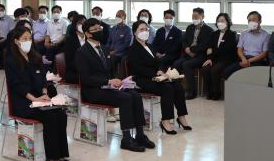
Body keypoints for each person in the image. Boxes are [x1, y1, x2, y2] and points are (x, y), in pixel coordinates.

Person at [75, 18, 152, 152]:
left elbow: (110, 72)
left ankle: (140, 135)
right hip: (93, 91)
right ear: (87, 34)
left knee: (135, 95)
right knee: (125, 98)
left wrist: (119, 82)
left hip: (109, 87)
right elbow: (86, 78)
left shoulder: (105, 49)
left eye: (100, 28)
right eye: (95, 30)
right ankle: (126, 139)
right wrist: (108, 82)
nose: (99, 31)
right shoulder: (82, 52)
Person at [5, 26, 70, 161]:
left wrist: (44, 93)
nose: (28, 41)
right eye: (24, 39)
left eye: (29, 38)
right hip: (24, 102)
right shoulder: (11, 60)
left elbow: (43, 79)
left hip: (40, 99)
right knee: (50, 117)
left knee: (61, 114)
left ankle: (62, 153)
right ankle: (52, 157)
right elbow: (16, 85)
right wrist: (34, 99)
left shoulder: (36, 57)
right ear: (16, 41)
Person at [128, 21, 191, 135]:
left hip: (156, 77)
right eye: (141, 30)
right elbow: (137, 69)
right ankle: (165, 120)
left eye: (146, 29)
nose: (145, 32)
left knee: (177, 85)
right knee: (167, 88)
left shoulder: (150, 46)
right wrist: (156, 73)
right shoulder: (133, 49)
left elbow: (159, 62)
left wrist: (161, 70)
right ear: (135, 32)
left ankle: (181, 116)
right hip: (141, 80)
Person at [173, 7, 214, 99]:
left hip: (200, 56)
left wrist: (192, 50)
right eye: (193, 17)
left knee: (187, 65)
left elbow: (205, 45)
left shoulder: (209, 30)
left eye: (196, 17)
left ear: (202, 16)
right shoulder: (190, 27)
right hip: (188, 54)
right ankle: (176, 88)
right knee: (177, 63)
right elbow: (184, 40)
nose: (194, 19)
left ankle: (191, 92)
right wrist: (187, 49)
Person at [200, 13, 239, 100]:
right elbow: (209, 48)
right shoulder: (214, 34)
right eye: (218, 21)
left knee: (215, 69)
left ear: (227, 22)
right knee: (205, 68)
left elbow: (228, 50)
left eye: (222, 21)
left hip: (227, 59)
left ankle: (216, 93)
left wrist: (214, 51)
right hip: (214, 59)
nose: (220, 23)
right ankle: (209, 92)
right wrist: (209, 59)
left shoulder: (232, 34)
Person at [222, 11, 270, 79]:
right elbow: (239, 49)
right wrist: (243, 59)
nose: (251, 22)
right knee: (226, 72)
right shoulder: (244, 33)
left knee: (248, 75)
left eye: (253, 20)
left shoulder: (266, 35)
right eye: (249, 20)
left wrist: (248, 61)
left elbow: (264, 53)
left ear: (260, 21)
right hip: (243, 58)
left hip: (257, 61)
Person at [106, 10, 133, 78]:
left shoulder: (128, 30)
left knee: (112, 59)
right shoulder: (113, 29)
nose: (117, 17)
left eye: (119, 16)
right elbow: (109, 41)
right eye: (116, 16)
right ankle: (106, 78)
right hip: (111, 51)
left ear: (124, 18)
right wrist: (105, 50)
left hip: (121, 53)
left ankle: (114, 78)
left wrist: (114, 51)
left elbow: (126, 44)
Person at [63, 14, 86, 84]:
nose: (82, 25)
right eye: (79, 23)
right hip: (74, 72)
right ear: (74, 25)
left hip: (90, 71)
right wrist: (84, 69)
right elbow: (70, 61)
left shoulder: (90, 38)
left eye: (84, 23)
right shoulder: (70, 40)